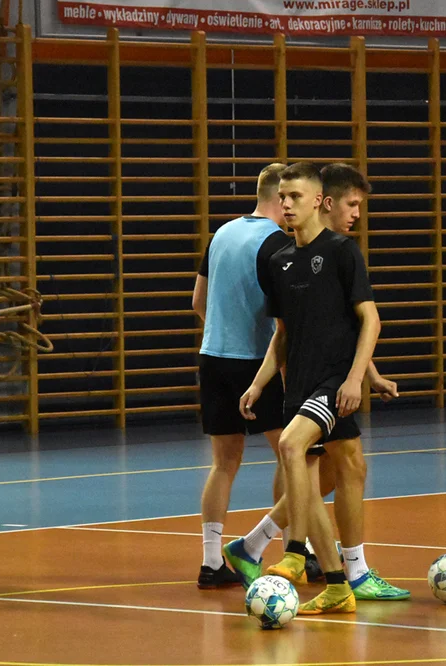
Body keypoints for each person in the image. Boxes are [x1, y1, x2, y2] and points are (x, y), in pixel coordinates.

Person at [224, 163, 409, 602]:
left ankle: (292, 551)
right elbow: (284, 335)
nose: (285, 205)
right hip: (299, 386)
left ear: (316, 201)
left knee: (296, 449)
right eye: (282, 198)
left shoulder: (343, 252)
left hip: (333, 384)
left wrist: (358, 379)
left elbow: (368, 321)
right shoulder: (278, 261)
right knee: (318, 475)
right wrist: (257, 383)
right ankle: (340, 583)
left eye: (294, 198)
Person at [192, 163, 291, 588]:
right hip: (255, 362)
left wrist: (222, 329)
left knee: (223, 464)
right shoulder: (275, 244)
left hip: (212, 355)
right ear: (280, 196)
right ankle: (291, 549)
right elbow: (285, 321)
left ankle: (211, 563)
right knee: (293, 455)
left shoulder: (222, 233)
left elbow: (198, 300)